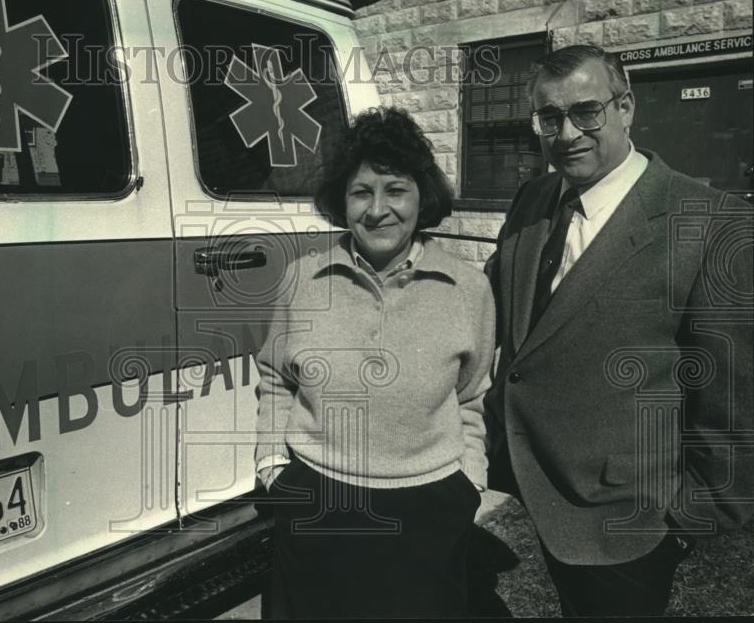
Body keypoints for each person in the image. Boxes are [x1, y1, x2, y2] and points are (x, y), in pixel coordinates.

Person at [484, 44, 754, 616]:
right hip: (536, 490)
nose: (566, 134)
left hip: (631, 524)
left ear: (626, 107)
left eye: (587, 112)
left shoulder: (708, 222)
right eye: (549, 118)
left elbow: (732, 396)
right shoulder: (533, 198)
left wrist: (685, 521)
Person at [254, 107, 495, 618]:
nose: (377, 209)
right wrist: (275, 470)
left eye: (395, 189)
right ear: (342, 200)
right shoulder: (303, 279)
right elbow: (276, 379)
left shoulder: (468, 288)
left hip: (428, 509)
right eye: (362, 191)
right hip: (316, 502)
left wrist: (468, 482)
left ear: (422, 196)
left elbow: (472, 396)